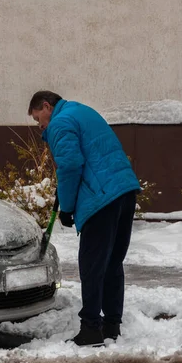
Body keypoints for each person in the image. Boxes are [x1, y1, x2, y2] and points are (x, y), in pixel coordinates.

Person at [28, 90, 140, 347]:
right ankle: (111, 325)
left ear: (47, 106)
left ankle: (91, 329)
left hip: (101, 198)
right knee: (112, 262)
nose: (40, 125)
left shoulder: (60, 122)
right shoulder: (81, 111)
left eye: (37, 118)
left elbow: (69, 165)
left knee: (92, 265)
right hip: (124, 191)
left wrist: (66, 208)